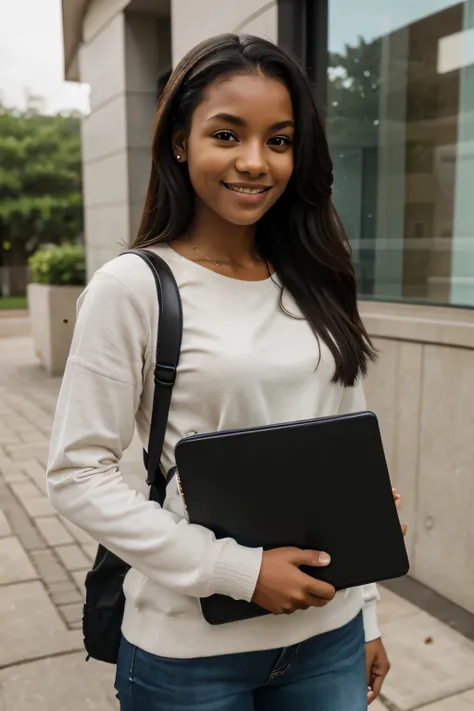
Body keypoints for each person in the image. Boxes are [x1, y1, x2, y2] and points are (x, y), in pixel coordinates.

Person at [46, 33, 402, 711]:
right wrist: (240, 570)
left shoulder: (320, 281)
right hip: (190, 654)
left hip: (327, 635)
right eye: (227, 134)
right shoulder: (133, 287)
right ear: (181, 142)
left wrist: (369, 616)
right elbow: (76, 474)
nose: (254, 161)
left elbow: (350, 444)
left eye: (279, 139)